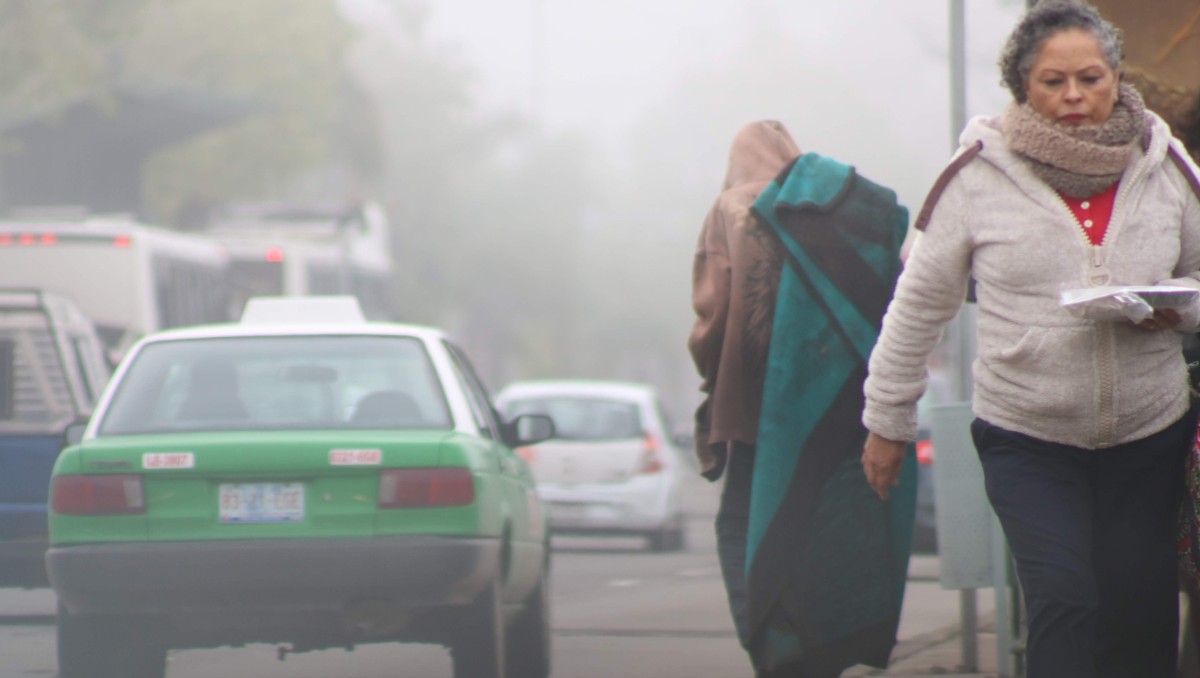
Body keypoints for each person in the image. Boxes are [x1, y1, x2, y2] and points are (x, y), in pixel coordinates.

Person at [860, 2, 1200, 676]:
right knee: (1065, 597)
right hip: (1029, 437)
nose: (1074, 96)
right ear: (1022, 88)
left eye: (1090, 77)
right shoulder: (976, 177)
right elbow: (918, 306)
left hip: (1147, 432)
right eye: (1053, 82)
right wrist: (887, 420)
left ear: (1116, 77)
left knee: (1139, 607)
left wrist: (1177, 310)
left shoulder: (1166, 165)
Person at [690, 120, 914, 677]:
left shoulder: (730, 210)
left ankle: (777, 649)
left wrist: (711, 383)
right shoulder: (831, 213)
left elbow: (711, 318)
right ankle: (826, 648)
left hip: (753, 411)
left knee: (745, 527)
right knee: (818, 530)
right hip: (838, 406)